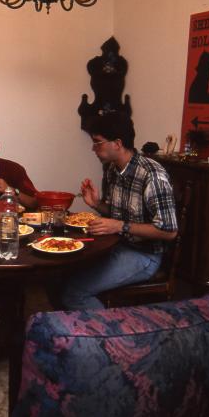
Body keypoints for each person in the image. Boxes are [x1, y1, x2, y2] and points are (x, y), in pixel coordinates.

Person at [58, 113, 178, 311]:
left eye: (97, 142)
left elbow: (169, 230)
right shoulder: (113, 169)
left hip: (145, 255)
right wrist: (96, 204)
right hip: (118, 245)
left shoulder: (152, 174)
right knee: (61, 274)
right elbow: (117, 214)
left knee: (74, 292)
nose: (92, 148)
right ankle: (74, 331)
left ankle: (110, 335)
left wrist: (120, 226)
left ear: (117, 143)